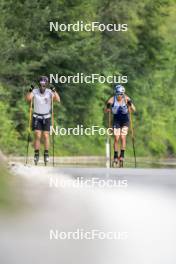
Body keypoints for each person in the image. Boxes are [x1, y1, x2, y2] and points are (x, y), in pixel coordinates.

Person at [26, 76, 60, 164]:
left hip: (47, 117)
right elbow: (28, 99)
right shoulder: (35, 91)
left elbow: (58, 99)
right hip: (37, 116)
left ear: (46, 85)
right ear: (39, 85)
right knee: (37, 135)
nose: (42, 87)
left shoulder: (49, 92)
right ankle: (36, 154)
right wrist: (30, 90)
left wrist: (54, 90)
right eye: (41, 85)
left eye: (44, 85)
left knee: (45, 135)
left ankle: (46, 154)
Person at [105, 84, 136, 165]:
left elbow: (134, 109)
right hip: (116, 121)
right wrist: (108, 107)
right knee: (116, 137)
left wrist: (130, 105)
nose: (120, 96)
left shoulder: (126, 99)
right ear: (116, 93)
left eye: (121, 94)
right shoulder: (112, 99)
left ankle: (122, 155)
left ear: (123, 93)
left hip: (125, 120)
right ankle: (115, 156)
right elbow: (107, 108)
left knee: (122, 137)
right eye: (118, 94)